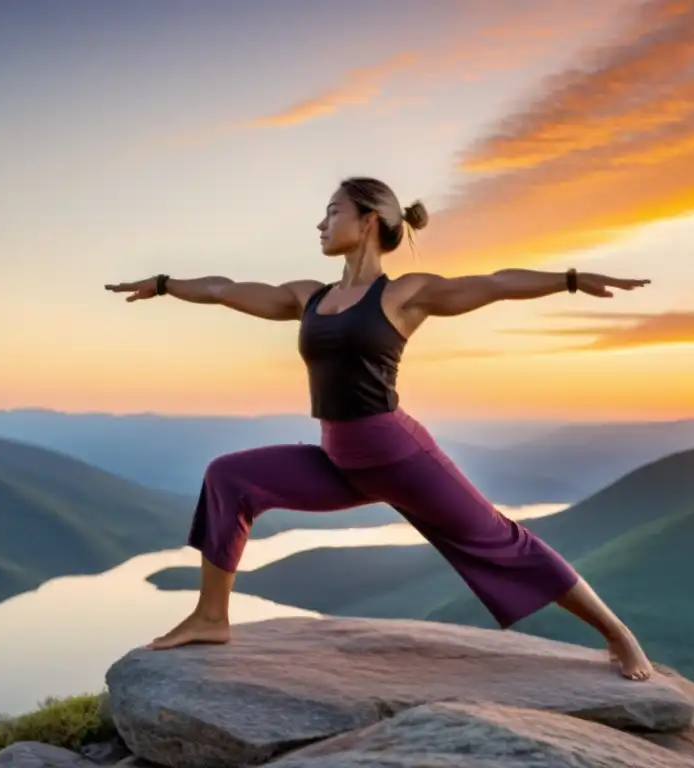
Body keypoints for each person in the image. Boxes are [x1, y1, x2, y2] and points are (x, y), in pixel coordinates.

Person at [105, 177, 655, 680]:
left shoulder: (403, 294)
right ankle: (210, 616)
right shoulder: (309, 298)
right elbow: (226, 289)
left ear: (367, 219)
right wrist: (163, 283)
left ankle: (620, 636)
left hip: (398, 457)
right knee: (229, 477)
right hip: (339, 460)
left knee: (501, 541)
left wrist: (573, 280)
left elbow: (496, 283)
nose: (320, 225)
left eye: (331, 212)